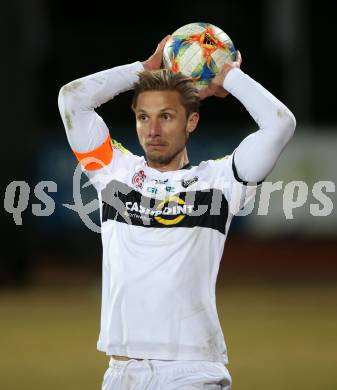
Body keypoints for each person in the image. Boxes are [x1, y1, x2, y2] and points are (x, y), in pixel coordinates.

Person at [58, 34, 296, 389]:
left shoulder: (220, 182)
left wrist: (228, 75)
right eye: (143, 117)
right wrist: (142, 70)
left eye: (166, 117)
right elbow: (72, 99)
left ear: (191, 122)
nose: (152, 130)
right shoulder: (113, 173)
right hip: (120, 374)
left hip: (191, 373)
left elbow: (280, 124)